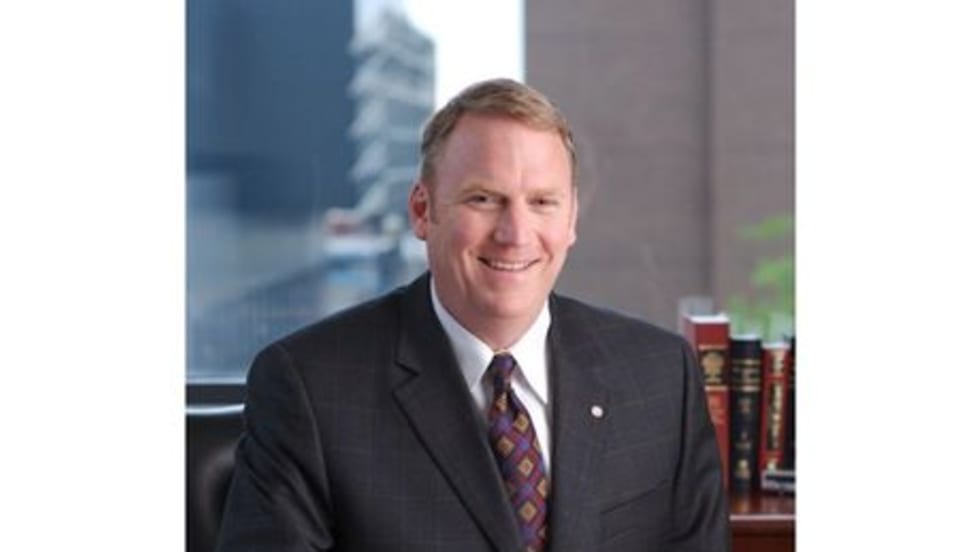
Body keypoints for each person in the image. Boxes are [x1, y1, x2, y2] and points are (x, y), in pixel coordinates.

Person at [216, 78, 729, 551]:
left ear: (571, 217)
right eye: (484, 199)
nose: (515, 234)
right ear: (423, 210)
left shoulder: (661, 377)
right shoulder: (311, 387)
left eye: (542, 202)